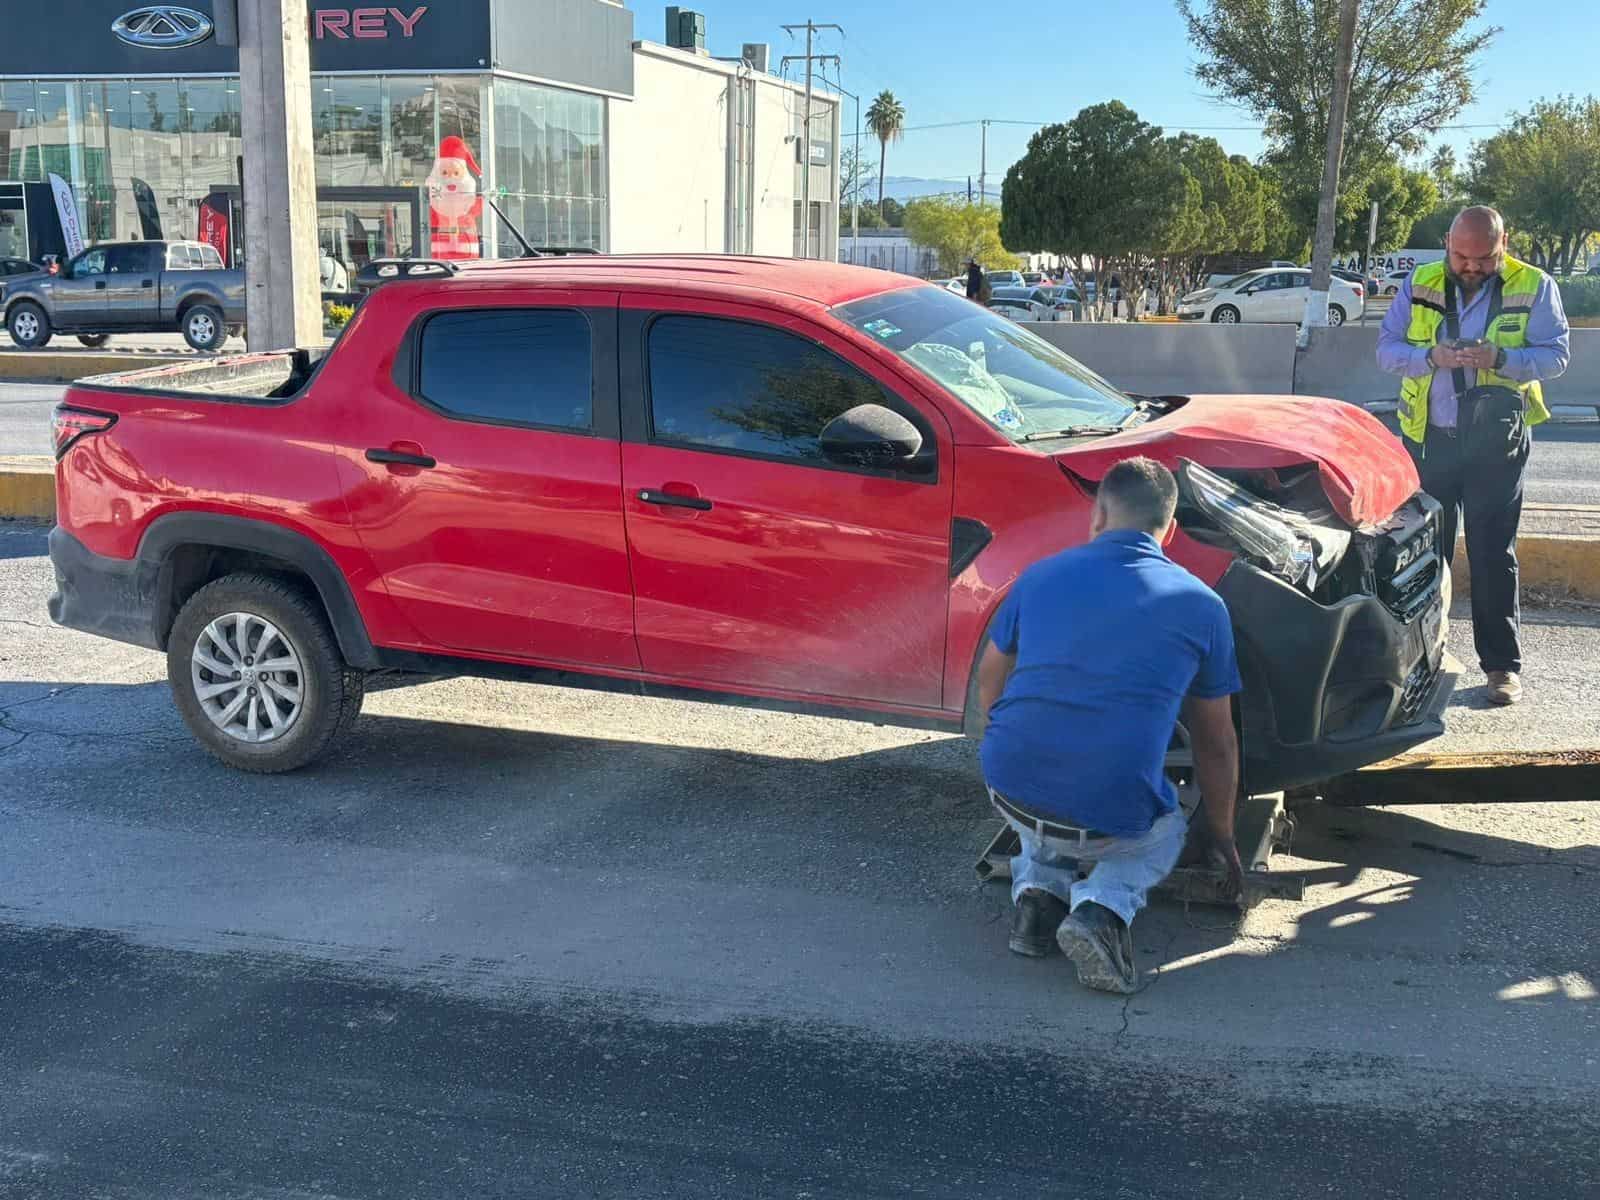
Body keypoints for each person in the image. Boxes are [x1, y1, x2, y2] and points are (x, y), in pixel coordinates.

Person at [976, 457, 1243, 994]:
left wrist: (1011, 749)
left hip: (1009, 787)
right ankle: (1102, 910)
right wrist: (1222, 833)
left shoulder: (1038, 576)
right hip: (1108, 817)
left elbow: (990, 683)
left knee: (1049, 795)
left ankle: (1036, 900)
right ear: (1169, 531)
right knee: (1164, 831)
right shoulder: (1203, 606)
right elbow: (1215, 742)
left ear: (1097, 516)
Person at [1376, 205, 1570, 706]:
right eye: (1461, 255)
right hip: (1430, 440)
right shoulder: (1419, 282)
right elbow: (1386, 350)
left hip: (1496, 444)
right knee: (1425, 558)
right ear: (1448, 243)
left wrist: (1501, 359)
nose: (1471, 266)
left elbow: (1555, 355)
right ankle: (1422, 663)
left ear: (1503, 244)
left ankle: (1501, 667)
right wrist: (1431, 358)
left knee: (1491, 554)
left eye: (1483, 258)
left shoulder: (1535, 285)